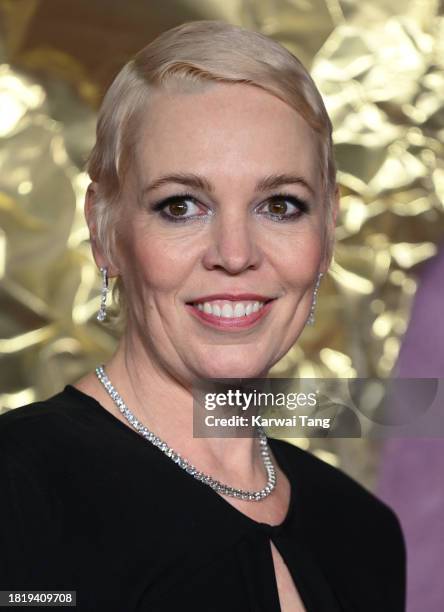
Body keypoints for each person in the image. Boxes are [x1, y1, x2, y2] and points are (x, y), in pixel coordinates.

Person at [0, 20, 405, 612]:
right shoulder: (17, 492)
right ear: (104, 230)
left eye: (280, 205)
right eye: (181, 206)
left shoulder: (363, 532)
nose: (235, 255)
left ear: (328, 229)